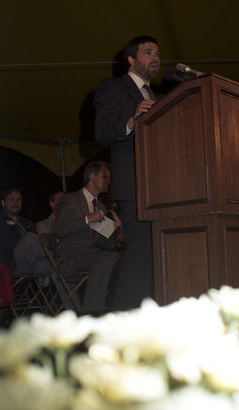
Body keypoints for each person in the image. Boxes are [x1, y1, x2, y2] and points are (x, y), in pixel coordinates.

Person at [94, 35, 161, 310]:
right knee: (139, 254)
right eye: (147, 52)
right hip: (135, 183)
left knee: (154, 255)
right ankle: (122, 319)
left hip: (160, 185)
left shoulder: (157, 95)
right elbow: (101, 133)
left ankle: (146, 314)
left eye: (158, 53)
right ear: (131, 60)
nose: (155, 58)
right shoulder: (114, 87)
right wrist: (132, 121)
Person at [55, 161, 121, 314]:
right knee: (105, 259)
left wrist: (115, 229)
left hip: (91, 255)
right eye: (105, 177)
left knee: (118, 255)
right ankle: (91, 313)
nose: (108, 181)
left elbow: (101, 241)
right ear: (92, 177)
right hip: (70, 257)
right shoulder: (70, 199)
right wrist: (87, 219)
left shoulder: (102, 207)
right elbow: (59, 229)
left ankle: (113, 308)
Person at [0, 188, 53, 276]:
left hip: (32, 262)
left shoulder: (27, 223)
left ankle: (70, 289)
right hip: (11, 263)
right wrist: (24, 241)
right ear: (3, 203)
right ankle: (60, 252)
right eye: (12, 199)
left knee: (57, 267)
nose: (16, 202)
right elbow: (3, 242)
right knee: (29, 238)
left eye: (19, 200)